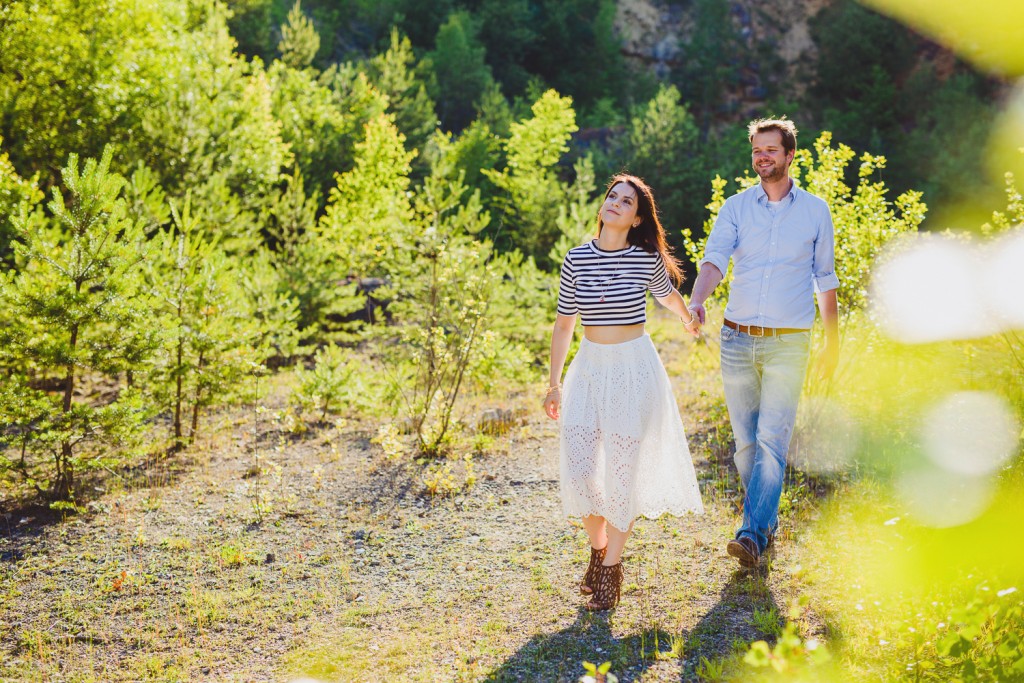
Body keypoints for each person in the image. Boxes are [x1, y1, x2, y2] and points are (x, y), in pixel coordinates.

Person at [543, 174, 704, 611]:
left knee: (621, 474)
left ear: (636, 218)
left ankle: (612, 570)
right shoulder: (576, 258)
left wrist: (690, 317)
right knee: (579, 469)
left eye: (626, 200)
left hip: (634, 369)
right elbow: (563, 325)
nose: (615, 202)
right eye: (612, 196)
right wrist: (554, 383)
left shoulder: (644, 259)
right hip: (589, 368)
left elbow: (669, 297)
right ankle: (599, 549)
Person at [686, 117, 840, 569]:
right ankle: (766, 523)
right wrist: (698, 299)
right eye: (757, 150)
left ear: (790, 155)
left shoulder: (815, 211)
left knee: (772, 439)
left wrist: (833, 345)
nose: (762, 158)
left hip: (789, 342)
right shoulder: (735, 208)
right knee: (746, 445)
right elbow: (715, 260)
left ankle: (750, 535)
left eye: (771, 150)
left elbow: (825, 280)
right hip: (736, 338)